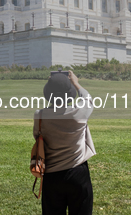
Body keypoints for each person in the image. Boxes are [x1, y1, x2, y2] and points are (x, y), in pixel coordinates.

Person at [33, 71, 95, 215]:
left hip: (51, 175)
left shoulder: (40, 115)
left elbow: (37, 136)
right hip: (78, 172)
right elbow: (87, 98)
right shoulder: (80, 111)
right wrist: (75, 83)